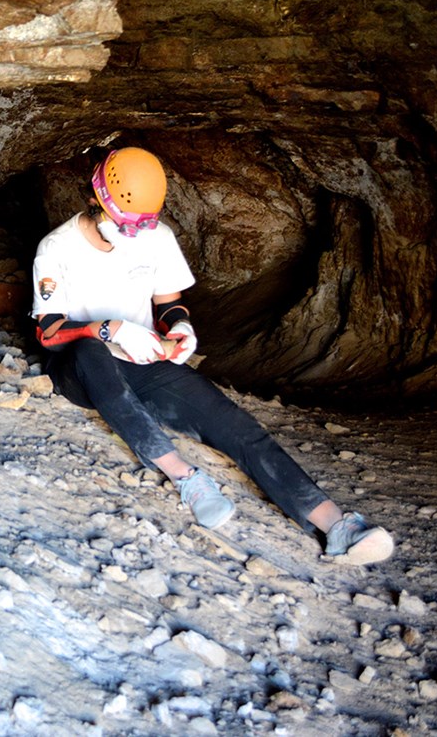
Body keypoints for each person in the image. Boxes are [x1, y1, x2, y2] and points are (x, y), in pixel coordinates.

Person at [31, 146, 393, 565]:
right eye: (124, 224)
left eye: (140, 225)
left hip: (141, 361)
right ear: (96, 200)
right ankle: (186, 478)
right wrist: (107, 329)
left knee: (233, 423)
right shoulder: (56, 248)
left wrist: (179, 329)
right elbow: (48, 333)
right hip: (81, 367)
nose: (133, 233)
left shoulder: (157, 237)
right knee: (91, 352)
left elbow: (170, 304)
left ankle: (337, 525)